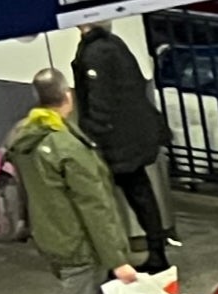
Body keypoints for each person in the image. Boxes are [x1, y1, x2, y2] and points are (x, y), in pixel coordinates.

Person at [0, 66, 134, 294]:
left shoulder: (22, 135)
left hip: (51, 236)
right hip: (80, 244)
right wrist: (118, 261)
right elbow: (94, 206)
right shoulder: (68, 147)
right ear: (67, 95)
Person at [71, 19, 174, 270]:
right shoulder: (113, 44)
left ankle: (121, 261)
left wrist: (92, 134)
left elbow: (99, 99)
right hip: (133, 131)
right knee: (140, 192)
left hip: (116, 137)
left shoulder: (95, 52)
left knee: (114, 198)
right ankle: (156, 249)